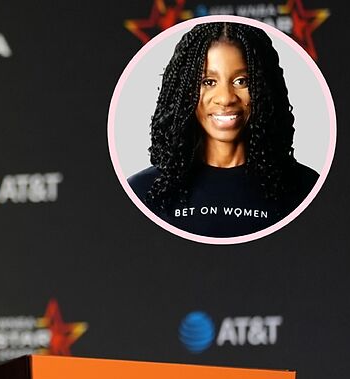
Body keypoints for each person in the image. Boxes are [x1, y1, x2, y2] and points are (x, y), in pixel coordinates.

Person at [128, 22, 319, 238]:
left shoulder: (306, 189)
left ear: (264, 89)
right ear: (183, 92)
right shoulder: (142, 191)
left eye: (241, 81)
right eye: (208, 81)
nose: (226, 98)